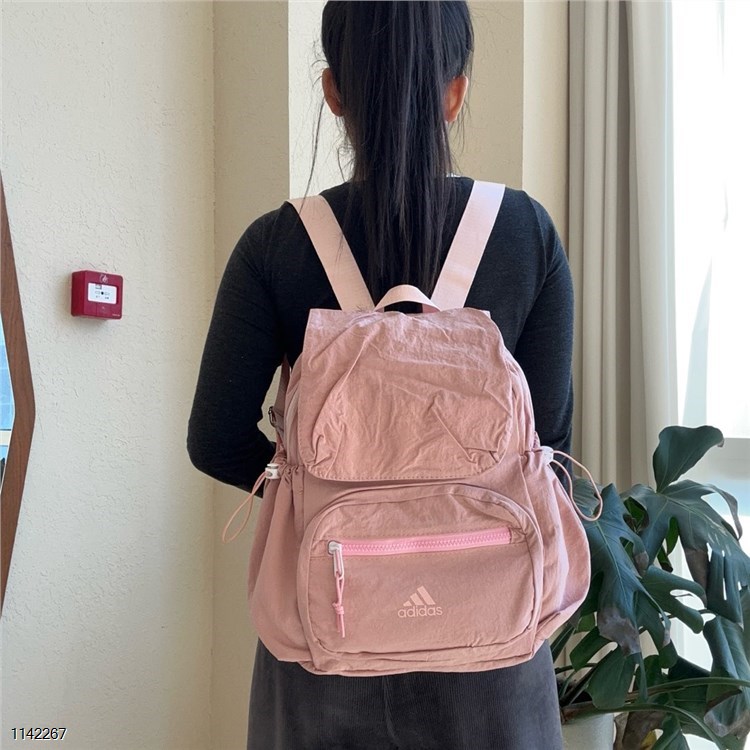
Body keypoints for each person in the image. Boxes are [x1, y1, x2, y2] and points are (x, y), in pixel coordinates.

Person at [188, 2, 571, 748]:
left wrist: (323, 496)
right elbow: (550, 446)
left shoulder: (276, 245)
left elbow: (215, 439)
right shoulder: (525, 233)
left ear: (334, 92)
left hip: (324, 631)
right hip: (489, 638)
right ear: (455, 92)